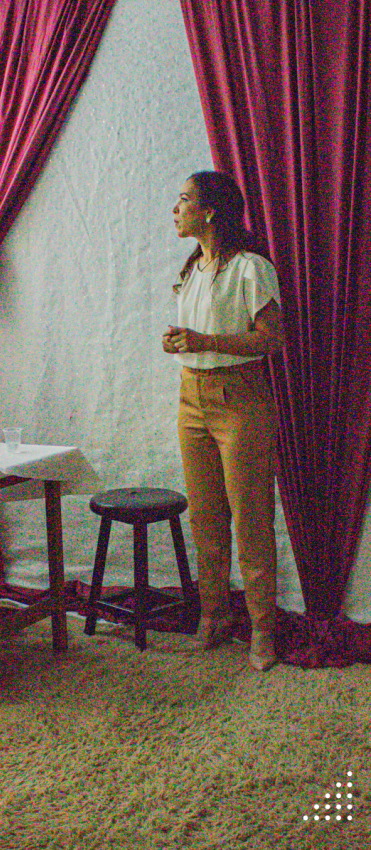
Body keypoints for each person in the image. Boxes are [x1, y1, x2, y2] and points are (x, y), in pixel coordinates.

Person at [162, 171, 284, 672]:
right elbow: (196, 337)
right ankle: (214, 618)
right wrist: (178, 344)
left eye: (184, 199)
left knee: (251, 519)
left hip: (241, 401)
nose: (176, 207)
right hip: (191, 398)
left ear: (210, 211)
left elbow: (271, 340)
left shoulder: (252, 267)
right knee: (206, 518)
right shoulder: (193, 267)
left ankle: (263, 632)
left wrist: (205, 341)